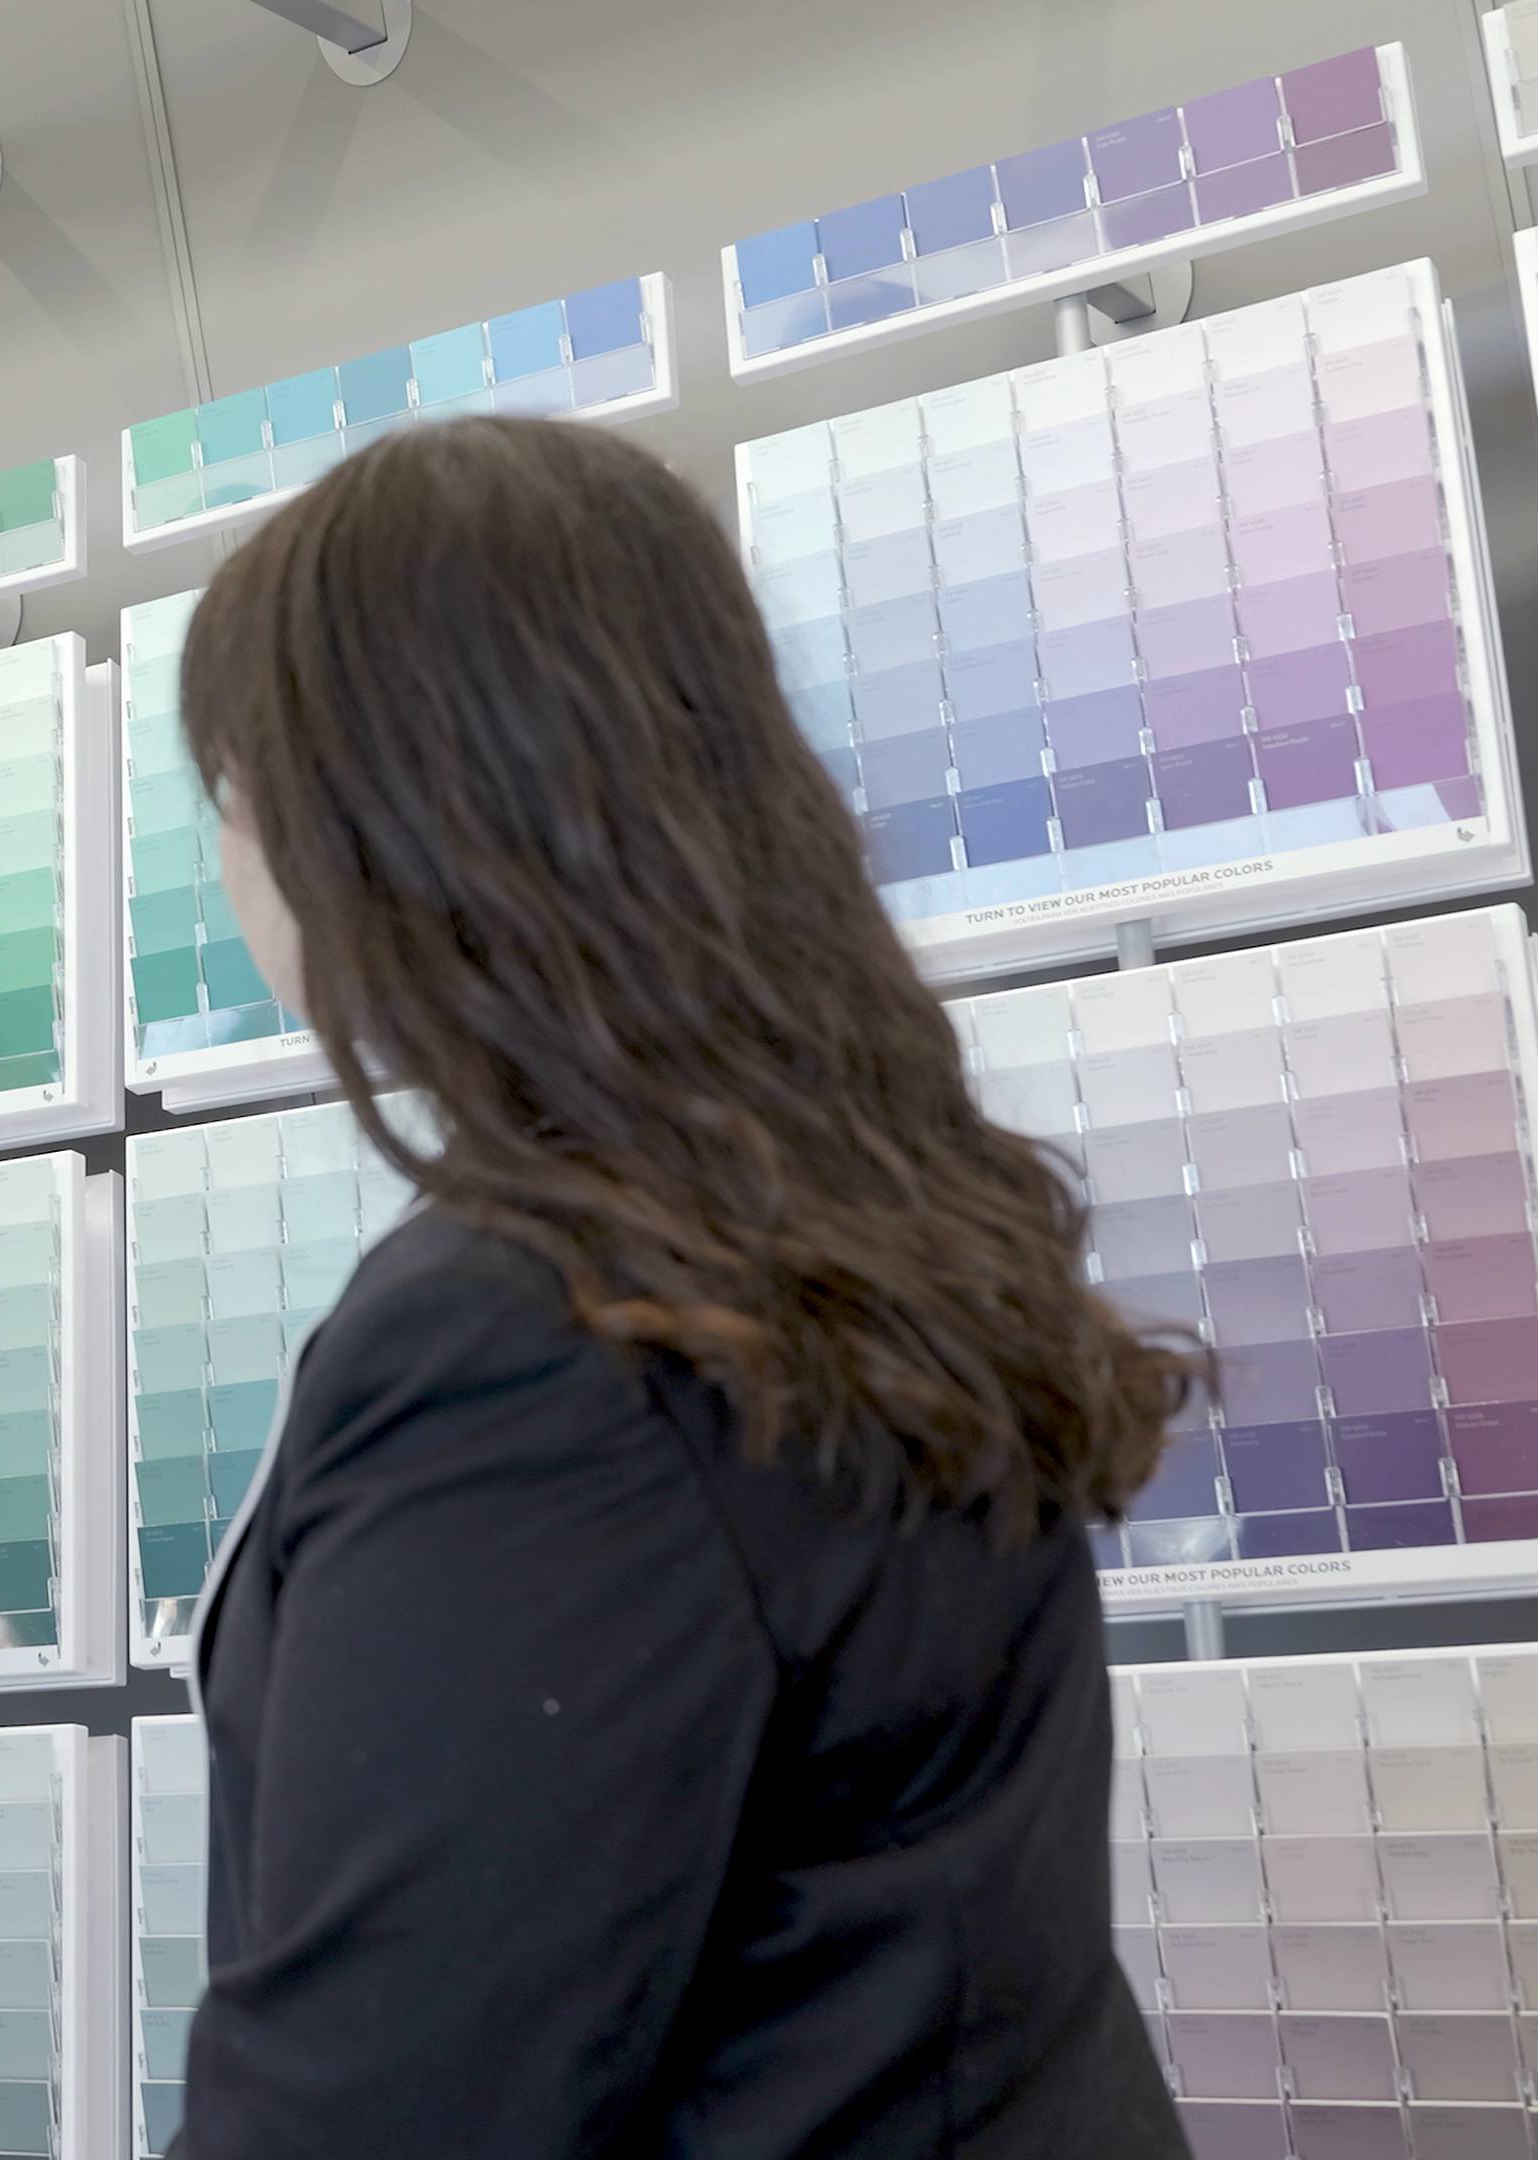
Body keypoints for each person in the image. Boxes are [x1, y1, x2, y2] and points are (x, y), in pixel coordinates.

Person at [166, 417, 1195, 2158]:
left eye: (240, 796)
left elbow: (378, 2113)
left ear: (381, 827)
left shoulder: (527, 1341)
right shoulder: (851, 1217)